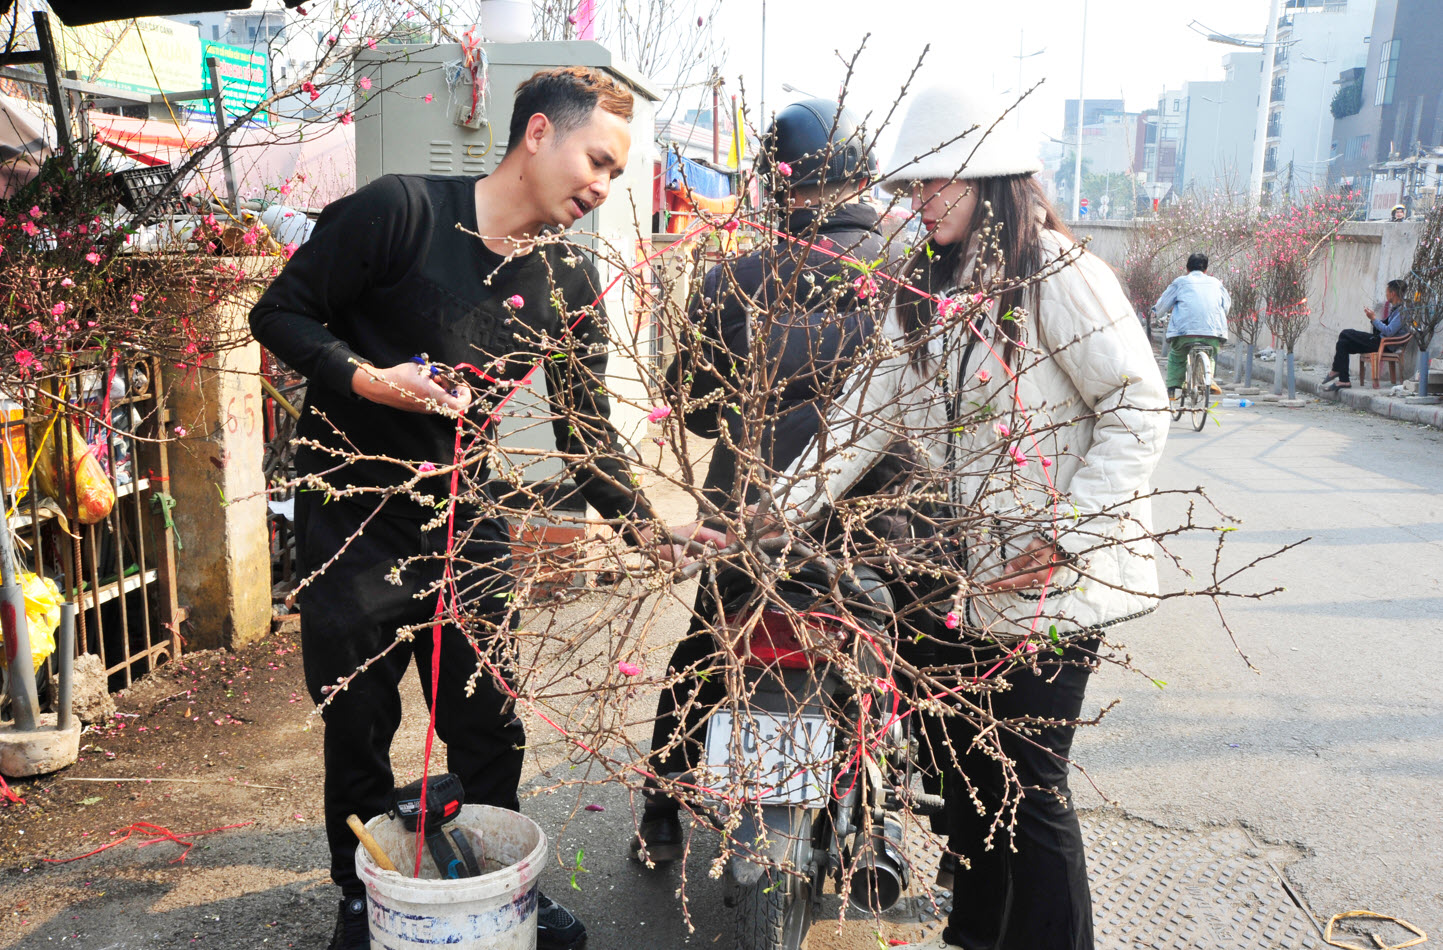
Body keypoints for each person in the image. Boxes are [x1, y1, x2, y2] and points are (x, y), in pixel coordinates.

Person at [250, 66, 722, 950]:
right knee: (358, 723)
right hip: (351, 519)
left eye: (617, 175)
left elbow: (586, 432)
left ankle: (501, 884)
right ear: (538, 133)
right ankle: (363, 896)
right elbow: (279, 312)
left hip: (463, 517)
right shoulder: (400, 212)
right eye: (599, 160)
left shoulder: (569, 280)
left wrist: (649, 529)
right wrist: (364, 381)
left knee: (487, 715)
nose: (603, 186)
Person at [767, 84, 1169, 950]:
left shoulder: (1058, 276)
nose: (918, 204)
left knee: (1029, 787)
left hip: (1052, 586)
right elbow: (860, 420)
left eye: (935, 185)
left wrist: (1069, 535)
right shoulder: (922, 289)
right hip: (967, 579)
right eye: (911, 189)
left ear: (991, 178)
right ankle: (975, 934)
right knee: (972, 778)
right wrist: (771, 513)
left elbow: (1138, 406)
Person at [630, 98, 898, 862]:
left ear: (774, 185)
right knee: (905, 652)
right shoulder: (908, 277)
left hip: (747, 517)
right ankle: (897, 827)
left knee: (705, 650)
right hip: (876, 517)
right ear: (862, 176)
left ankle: (660, 806)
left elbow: (693, 407)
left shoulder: (733, 279)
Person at [1151, 252, 1230, 399]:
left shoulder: (1181, 282)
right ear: (1206, 270)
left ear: (1187, 269)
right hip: (1212, 332)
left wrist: (1156, 314)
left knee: (1177, 356)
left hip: (1184, 333)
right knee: (1210, 354)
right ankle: (1208, 379)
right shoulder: (1216, 283)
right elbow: (1226, 307)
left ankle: (1172, 389)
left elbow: (1163, 305)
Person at [1324, 278, 1409, 391]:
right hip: (1379, 341)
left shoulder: (1402, 312)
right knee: (1343, 343)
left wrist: (1373, 319)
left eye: (1387, 292)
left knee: (1345, 333)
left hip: (1384, 344)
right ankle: (1344, 380)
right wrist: (1373, 318)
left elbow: (1389, 331)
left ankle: (1335, 370)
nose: (1386, 294)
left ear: (1393, 293)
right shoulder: (1396, 309)